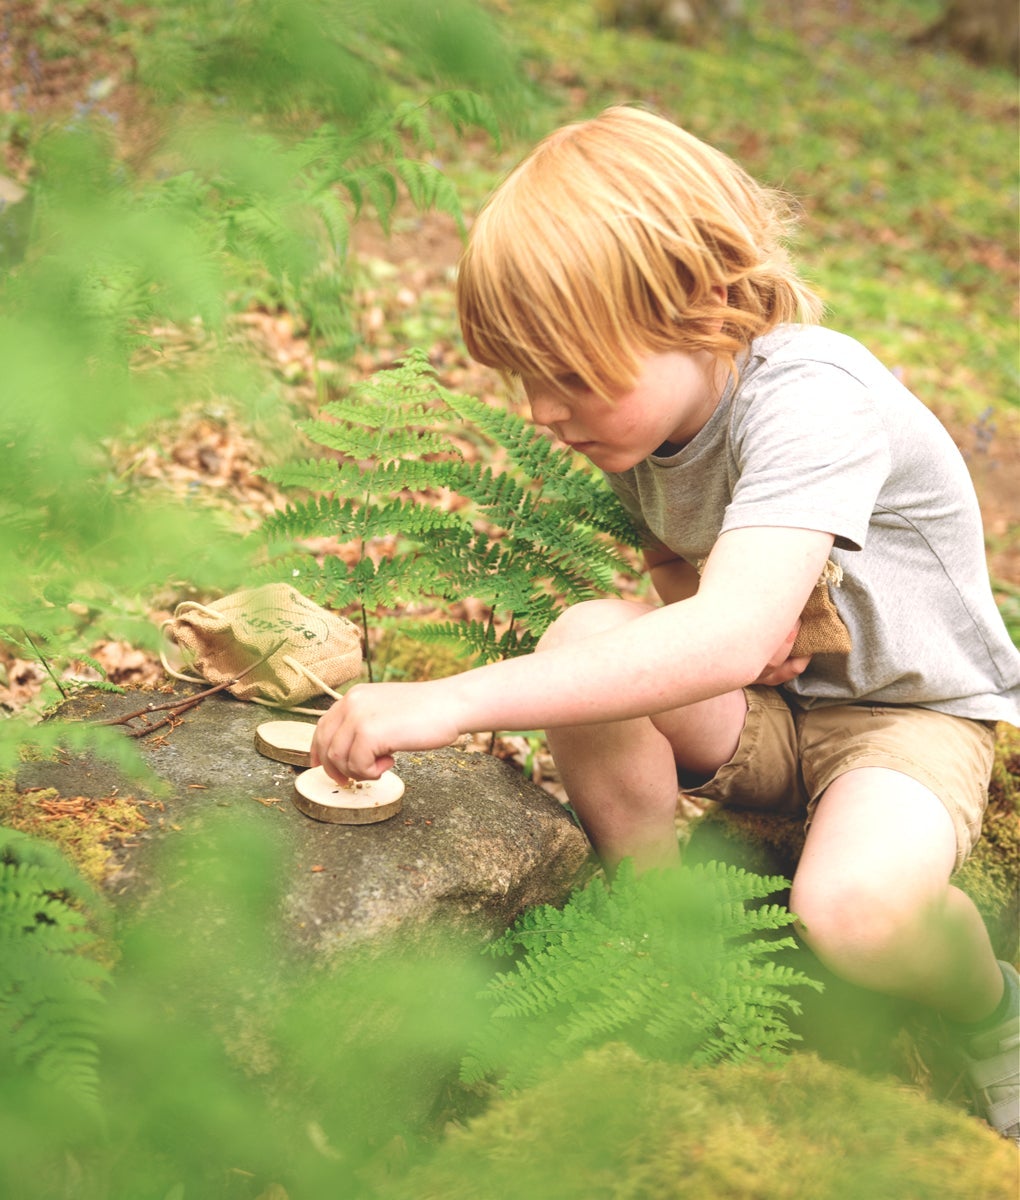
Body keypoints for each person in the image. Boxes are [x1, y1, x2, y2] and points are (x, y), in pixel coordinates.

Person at [311, 105, 1020, 1141]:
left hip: (906, 720)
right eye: (523, 379)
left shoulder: (815, 396)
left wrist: (451, 701)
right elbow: (689, 592)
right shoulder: (645, 429)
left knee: (856, 910)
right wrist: (711, 620)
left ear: (699, 305)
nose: (542, 410)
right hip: (777, 715)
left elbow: (727, 637)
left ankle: (995, 1009)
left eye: (568, 373)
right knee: (586, 638)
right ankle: (656, 928)